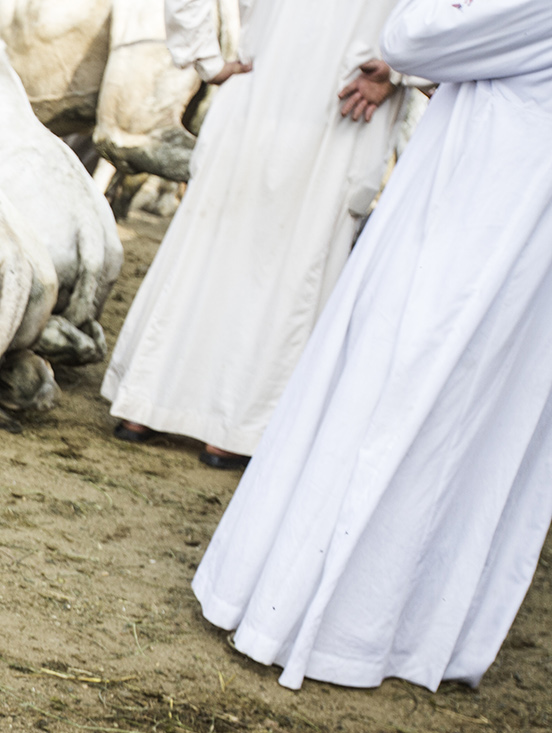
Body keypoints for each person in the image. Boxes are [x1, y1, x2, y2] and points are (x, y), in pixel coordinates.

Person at [191, 0, 552, 691]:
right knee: (473, 410)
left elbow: (414, 36)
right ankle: (404, 627)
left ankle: (333, 622)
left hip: (476, 205)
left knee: (401, 383)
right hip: (518, 211)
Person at [101, 0, 406, 468]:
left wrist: (204, 56)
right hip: (343, 104)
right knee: (292, 259)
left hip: (261, 90)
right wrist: (399, 66)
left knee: (213, 245)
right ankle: (236, 427)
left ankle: (147, 401)